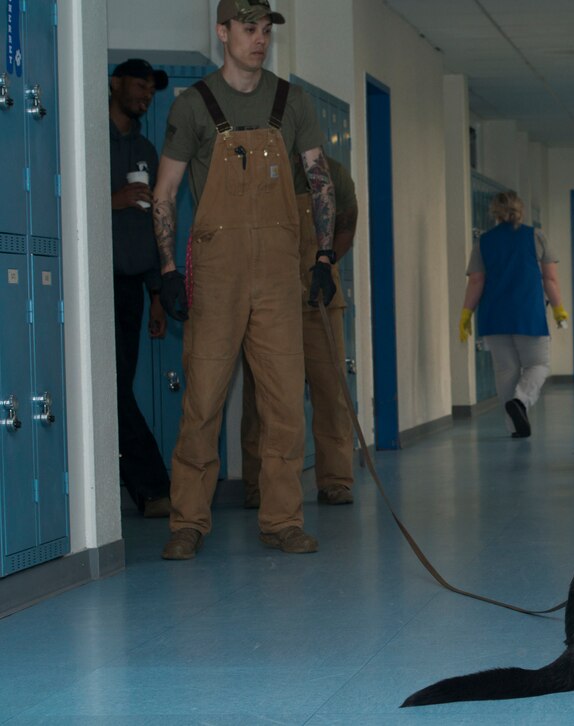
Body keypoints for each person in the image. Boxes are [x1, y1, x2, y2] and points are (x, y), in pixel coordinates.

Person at [152, 0, 337, 560]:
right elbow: (163, 195)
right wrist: (166, 270)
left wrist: (324, 258)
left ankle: (281, 520)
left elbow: (320, 179)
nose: (260, 40)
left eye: (265, 31)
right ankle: (188, 521)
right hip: (218, 275)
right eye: (248, 29)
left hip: (280, 276)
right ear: (223, 32)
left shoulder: (292, 101)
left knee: (284, 405)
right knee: (203, 402)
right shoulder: (194, 105)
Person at [241, 156, 359, 508]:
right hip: (267, 298)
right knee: (260, 394)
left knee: (331, 391)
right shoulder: (260, 165)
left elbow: (346, 226)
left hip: (320, 296)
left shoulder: (335, 172)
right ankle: (258, 484)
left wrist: (327, 264)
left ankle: (335, 479)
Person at [109, 58, 173, 518]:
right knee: (112, 389)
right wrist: (113, 200)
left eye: (150, 90)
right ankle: (153, 488)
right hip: (98, 286)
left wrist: (156, 294)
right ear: (115, 85)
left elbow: (157, 226)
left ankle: (147, 489)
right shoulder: (90, 139)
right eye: (137, 86)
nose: (144, 96)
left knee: (119, 387)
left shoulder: (148, 151)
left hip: (133, 289)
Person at [459, 191, 568, 438]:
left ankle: (514, 426)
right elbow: (549, 278)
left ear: (493, 212)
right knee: (538, 364)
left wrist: (466, 314)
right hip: (528, 313)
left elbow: (476, 282)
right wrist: (559, 309)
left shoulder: (483, 241)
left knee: (505, 371)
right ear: (521, 209)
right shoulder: (536, 236)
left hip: (494, 316)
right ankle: (521, 401)